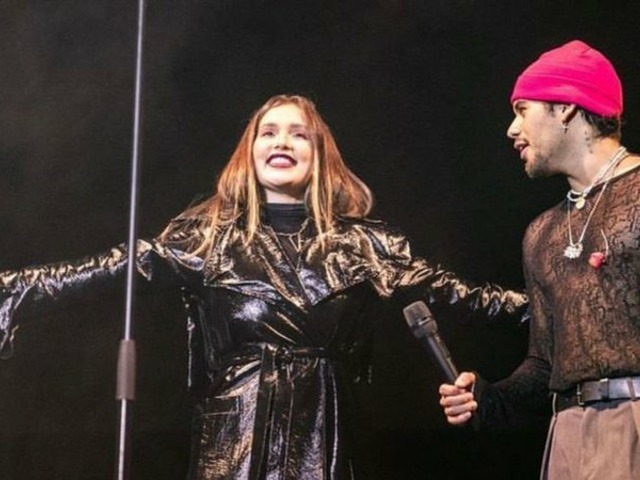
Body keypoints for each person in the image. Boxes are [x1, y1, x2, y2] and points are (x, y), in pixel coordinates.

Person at [0, 94, 526, 480]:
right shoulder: (207, 237)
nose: (282, 141)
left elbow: (463, 296)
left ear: (319, 154)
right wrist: (15, 290)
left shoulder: (366, 245)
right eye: (268, 132)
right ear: (249, 152)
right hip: (234, 445)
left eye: (299, 133)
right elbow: (109, 268)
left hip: (325, 442)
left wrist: (550, 302)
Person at [439, 40, 640, 480]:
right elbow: (545, 365)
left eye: (522, 109)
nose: (512, 129)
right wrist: (488, 398)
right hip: (568, 434)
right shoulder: (541, 233)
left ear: (565, 107)